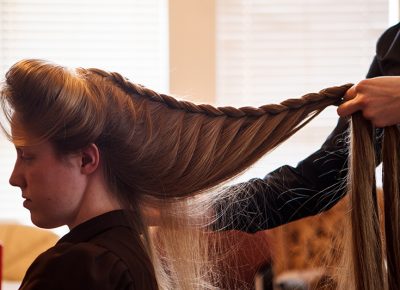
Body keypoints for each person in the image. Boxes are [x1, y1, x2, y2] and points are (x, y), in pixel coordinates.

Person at [0, 59, 349, 289]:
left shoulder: (77, 268)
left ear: (87, 160)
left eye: (27, 156)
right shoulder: (130, 254)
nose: (15, 178)